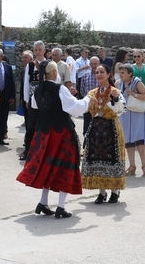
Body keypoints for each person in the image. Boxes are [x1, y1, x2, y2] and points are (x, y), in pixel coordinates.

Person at [17, 61, 97, 219]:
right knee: (65, 166)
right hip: (61, 133)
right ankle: (60, 206)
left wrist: (68, 97)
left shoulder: (38, 90)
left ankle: (43, 203)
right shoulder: (60, 88)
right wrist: (88, 99)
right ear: (53, 72)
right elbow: (75, 109)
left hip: (44, 134)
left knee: (48, 166)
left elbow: (35, 106)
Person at [82, 64, 126, 204]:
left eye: (102, 72)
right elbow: (83, 106)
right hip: (96, 129)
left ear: (108, 74)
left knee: (112, 158)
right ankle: (101, 192)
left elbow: (120, 110)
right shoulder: (92, 93)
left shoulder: (115, 92)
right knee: (97, 159)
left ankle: (115, 191)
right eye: (97, 72)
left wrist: (115, 99)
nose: (99, 74)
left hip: (111, 128)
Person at [117, 64, 145, 177]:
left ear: (130, 73)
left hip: (137, 114)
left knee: (139, 140)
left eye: (123, 73)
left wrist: (134, 94)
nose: (120, 75)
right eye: (120, 72)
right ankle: (132, 166)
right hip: (125, 115)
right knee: (128, 141)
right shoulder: (119, 83)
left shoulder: (137, 82)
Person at [21, 41, 48, 160]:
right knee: (30, 126)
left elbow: (56, 80)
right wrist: (27, 99)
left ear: (44, 51)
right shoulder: (30, 65)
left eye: (39, 50)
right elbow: (26, 83)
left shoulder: (50, 64)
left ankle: (43, 152)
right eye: (35, 50)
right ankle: (28, 151)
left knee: (44, 127)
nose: (37, 52)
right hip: (33, 100)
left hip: (46, 101)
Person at [79, 57, 100, 135]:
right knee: (87, 127)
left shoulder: (104, 76)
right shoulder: (85, 76)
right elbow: (82, 90)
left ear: (99, 64)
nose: (93, 65)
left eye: (95, 64)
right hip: (88, 106)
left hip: (100, 105)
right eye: (92, 64)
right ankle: (86, 144)